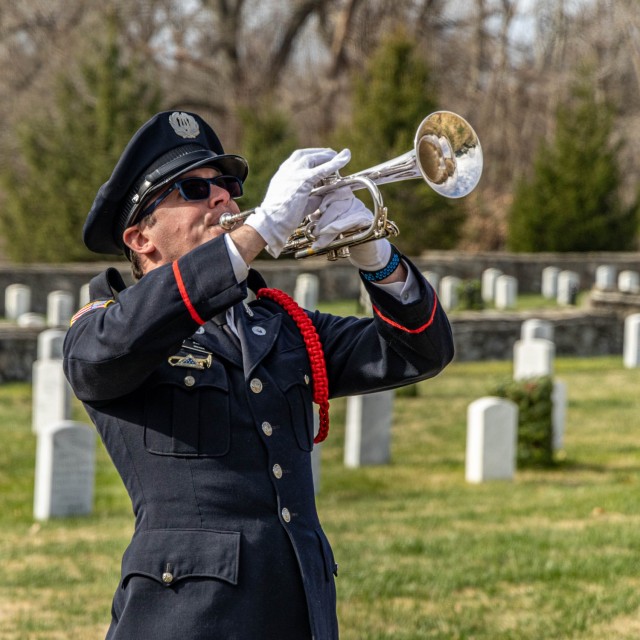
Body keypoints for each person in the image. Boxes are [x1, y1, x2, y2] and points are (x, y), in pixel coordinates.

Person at [63, 110, 454, 640]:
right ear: (140, 237)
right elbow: (108, 353)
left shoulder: (281, 324)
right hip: (186, 619)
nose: (223, 197)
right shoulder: (107, 325)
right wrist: (258, 231)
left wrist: (374, 253)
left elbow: (419, 351)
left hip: (299, 613)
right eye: (193, 188)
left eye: (227, 185)